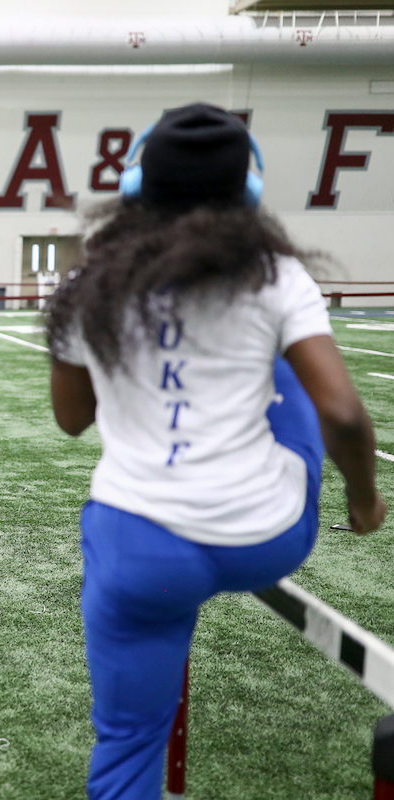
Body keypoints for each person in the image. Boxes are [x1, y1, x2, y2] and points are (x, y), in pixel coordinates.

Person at [45, 103, 387, 800]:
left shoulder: (86, 286)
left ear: (135, 190)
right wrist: (364, 501)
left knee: (126, 749)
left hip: (141, 551)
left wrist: (142, 371)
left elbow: (73, 420)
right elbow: (344, 414)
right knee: (288, 363)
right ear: (248, 198)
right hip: (262, 535)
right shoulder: (273, 275)